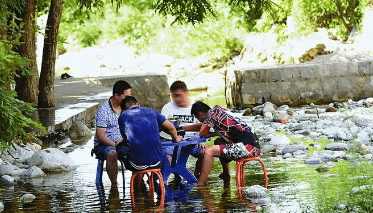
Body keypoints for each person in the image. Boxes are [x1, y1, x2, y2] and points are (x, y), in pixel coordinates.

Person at [191, 101, 261, 187]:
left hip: (248, 149)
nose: (200, 121)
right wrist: (181, 128)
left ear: (200, 114)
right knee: (218, 142)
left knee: (208, 151)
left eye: (198, 118)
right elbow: (201, 126)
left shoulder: (211, 115)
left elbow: (202, 133)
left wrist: (213, 133)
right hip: (252, 146)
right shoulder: (217, 111)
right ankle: (226, 174)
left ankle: (200, 183)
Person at [116, 96, 182, 173]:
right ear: (138, 105)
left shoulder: (123, 116)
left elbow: (126, 139)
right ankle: (152, 182)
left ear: (123, 109)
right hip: (157, 162)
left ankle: (137, 184)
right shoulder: (152, 111)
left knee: (120, 145)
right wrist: (176, 138)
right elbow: (171, 127)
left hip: (136, 165)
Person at [161, 80, 205, 177]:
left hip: (193, 141)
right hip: (172, 142)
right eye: (174, 96)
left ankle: (198, 176)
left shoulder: (196, 107)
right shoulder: (167, 108)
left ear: (186, 92)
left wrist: (201, 140)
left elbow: (203, 126)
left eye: (179, 95)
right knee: (166, 157)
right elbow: (162, 127)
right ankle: (169, 178)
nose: (176, 99)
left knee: (205, 154)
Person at [93, 80, 131, 186]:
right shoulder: (103, 111)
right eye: (126, 96)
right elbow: (100, 136)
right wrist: (116, 145)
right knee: (112, 153)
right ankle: (114, 187)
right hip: (105, 145)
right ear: (117, 96)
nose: (128, 99)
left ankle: (138, 184)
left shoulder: (127, 108)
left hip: (123, 142)